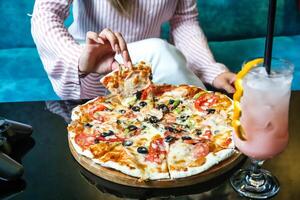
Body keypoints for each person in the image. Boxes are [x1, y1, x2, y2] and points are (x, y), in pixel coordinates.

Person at [31, 0, 236, 100]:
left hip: (149, 73)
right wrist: (77, 59)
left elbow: (184, 20)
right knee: (159, 49)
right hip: (94, 71)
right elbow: (45, 14)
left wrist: (211, 70)